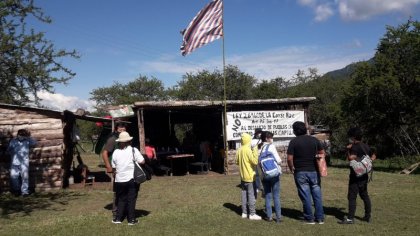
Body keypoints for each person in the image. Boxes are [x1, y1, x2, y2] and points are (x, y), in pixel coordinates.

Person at [287, 121, 325, 224]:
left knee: (305, 196)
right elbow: (322, 153)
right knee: (317, 195)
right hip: (314, 171)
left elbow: (290, 158)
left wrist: (291, 168)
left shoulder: (293, 142)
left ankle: (309, 218)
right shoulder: (314, 140)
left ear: (295, 131)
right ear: (305, 129)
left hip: (300, 171)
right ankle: (320, 218)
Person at [339, 127, 376, 224]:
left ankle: (350, 218)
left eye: (350, 136)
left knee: (352, 196)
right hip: (364, 175)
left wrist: (348, 150)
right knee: (365, 196)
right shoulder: (366, 146)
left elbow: (351, 158)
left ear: (353, 137)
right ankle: (367, 216)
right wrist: (367, 163)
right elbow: (373, 156)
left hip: (355, 176)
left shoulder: (354, 147)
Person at [111, 131, 145, 225]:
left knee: (121, 199)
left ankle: (118, 218)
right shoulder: (133, 150)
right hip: (131, 179)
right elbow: (142, 161)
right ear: (129, 141)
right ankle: (131, 220)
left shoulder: (116, 152)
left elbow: (114, 167)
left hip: (119, 180)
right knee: (131, 199)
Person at [101, 122, 126, 221]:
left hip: (125, 168)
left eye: (124, 127)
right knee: (118, 191)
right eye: (120, 127)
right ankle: (116, 212)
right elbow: (104, 153)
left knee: (126, 190)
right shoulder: (113, 139)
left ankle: (124, 210)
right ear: (116, 128)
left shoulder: (126, 138)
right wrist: (108, 166)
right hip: (117, 169)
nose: (122, 128)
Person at [235, 133, 262, 220]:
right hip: (250, 176)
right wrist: (255, 149)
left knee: (244, 195)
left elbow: (236, 162)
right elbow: (255, 161)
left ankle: (244, 212)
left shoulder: (239, 149)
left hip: (242, 177)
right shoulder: (248, 149)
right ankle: (252, 213)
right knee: (251, 195)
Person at [259, 131, 282, 223]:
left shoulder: (258, 148)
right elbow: (279, 160)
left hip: (264, 175)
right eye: (271, 137)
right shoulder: (271, 146)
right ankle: (278, 217)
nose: (272, 139)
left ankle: (269, 216)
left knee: (268, 196)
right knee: (276, 196)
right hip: (274, 174)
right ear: (266, 138)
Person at [7, 129, 37, 196]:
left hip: (24, 163)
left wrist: (28, 137)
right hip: (14, 162)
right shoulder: (13, 141)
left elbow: (35, 143)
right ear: (17, 134)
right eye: (20, 135)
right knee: (13, 177)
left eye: (22, 135)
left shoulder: (27, 141)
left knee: (25, 177)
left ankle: (25, 192)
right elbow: (8, 149)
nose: (21, 136)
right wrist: (11, 153)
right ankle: (17, 190)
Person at [251, 128, 263, 197]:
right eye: (258, 133)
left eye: (260, 132)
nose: (260, 134)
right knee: (257, 173)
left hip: (262, 158)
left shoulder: (262, 140)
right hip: (255, 158)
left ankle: (263, 186)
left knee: (263, 173)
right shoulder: (252, 141)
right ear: (256, 133)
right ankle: (257, 187)